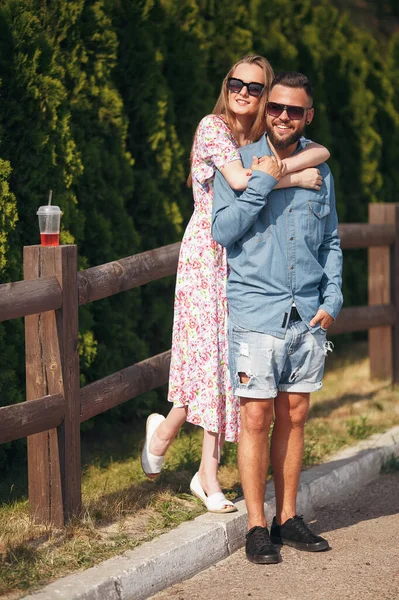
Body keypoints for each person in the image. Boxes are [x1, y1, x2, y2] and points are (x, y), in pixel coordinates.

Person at [141, 56, 331, 514]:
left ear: (266, 96)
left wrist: (291, 169)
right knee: (212, 360)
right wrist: (293, 177)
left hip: (241, 259)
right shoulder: (213, 128)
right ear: (225, 86)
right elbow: (245, 181)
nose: (243, 91)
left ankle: (201, 466)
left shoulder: (252, 140)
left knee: (226, 363)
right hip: (209, 253)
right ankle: (179, 448)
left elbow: (320, 154)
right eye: (235, 82)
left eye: (254, 86)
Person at [212, 72, 343, 559]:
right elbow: (223, 231)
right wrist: (265, 180)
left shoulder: (322, 169)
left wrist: (332, 301)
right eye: (276, 108)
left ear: (308, 115)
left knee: (295, 414)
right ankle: (256, 526)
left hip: (306, 314)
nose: (283, 117)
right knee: (255, 417)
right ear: (266, 109)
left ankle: (288, 518)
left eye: (294, 110)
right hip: (255, 310)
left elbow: (330, 240)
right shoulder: (239, 165)